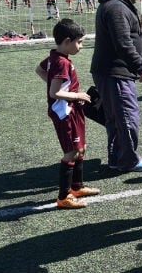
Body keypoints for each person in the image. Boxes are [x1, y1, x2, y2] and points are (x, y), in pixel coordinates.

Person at [90, 0, 142, 172]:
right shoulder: (116, 8)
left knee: (116, 118)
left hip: (112, 72)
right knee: (127, 117)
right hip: (115, 72)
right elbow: (123, 43)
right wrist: (140, 66)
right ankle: (128, 160)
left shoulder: (116, 4)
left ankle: (117, 158)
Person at [35, 19, 100, 209]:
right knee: (71, 152)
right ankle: (63, 197)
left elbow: (39, 69)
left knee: (81, 147)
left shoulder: (54, 58)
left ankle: (76, 187)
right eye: (78, 42)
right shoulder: (61, 63)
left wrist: (58, 85)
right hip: (65, 113)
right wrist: (76, 95)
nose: (80, 46)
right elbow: (54, 93)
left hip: (73, 109)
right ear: (67, 41)